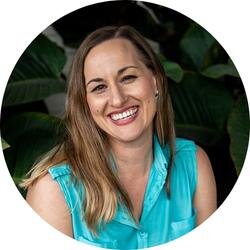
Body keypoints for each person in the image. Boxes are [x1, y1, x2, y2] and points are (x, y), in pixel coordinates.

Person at [21, 25, 217, 249]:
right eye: (99, 87)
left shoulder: (193, 164)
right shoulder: (53, 192)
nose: (117, 99)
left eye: (128, 78)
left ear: (156, 82)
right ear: (87, 104)